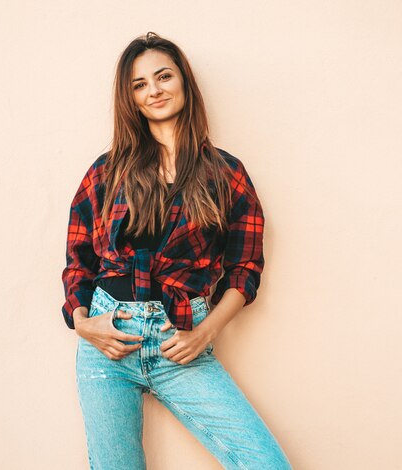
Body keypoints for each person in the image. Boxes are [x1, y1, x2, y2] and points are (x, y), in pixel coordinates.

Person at [61, 32, 292, 470]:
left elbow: (245, 267)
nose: (154, 90)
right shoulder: (108, 171)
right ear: (130, 98)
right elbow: (78, 260)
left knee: (266, 464)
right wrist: (82, 324)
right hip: (109, 349)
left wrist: (207, 333)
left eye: (163, 76)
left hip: (181, 341)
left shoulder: (226, 173)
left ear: (183, 82)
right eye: (139, 84)